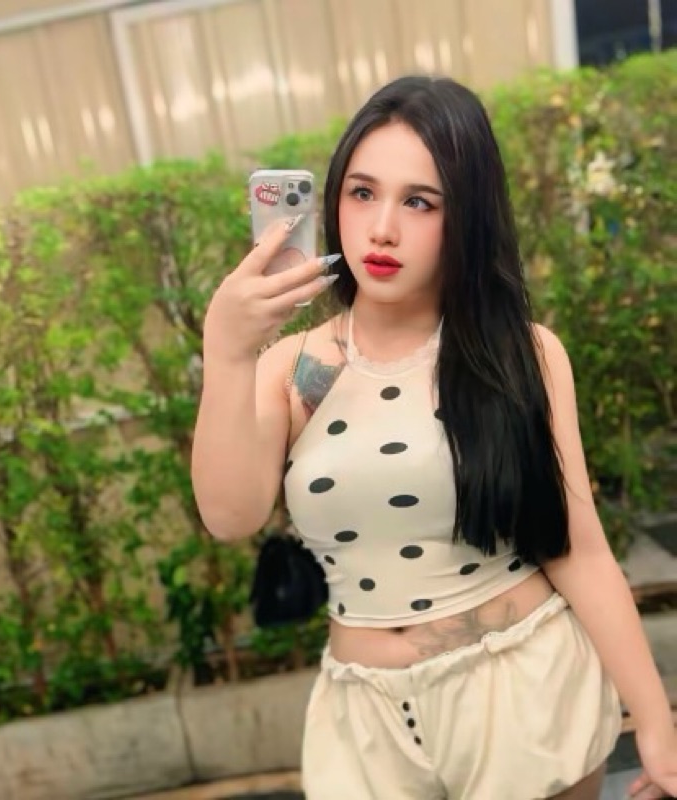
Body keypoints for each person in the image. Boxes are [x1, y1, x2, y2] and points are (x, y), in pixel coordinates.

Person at [191, 75, 676, 799]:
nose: (382, 228)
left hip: (521, 697)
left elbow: (577, 548)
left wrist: (657, 721)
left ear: (467, 217)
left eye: (420, 201)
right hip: (366, 720)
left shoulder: (520, 356)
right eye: (362, 193)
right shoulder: (294, 371)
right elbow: (230, 516)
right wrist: (227, 353)